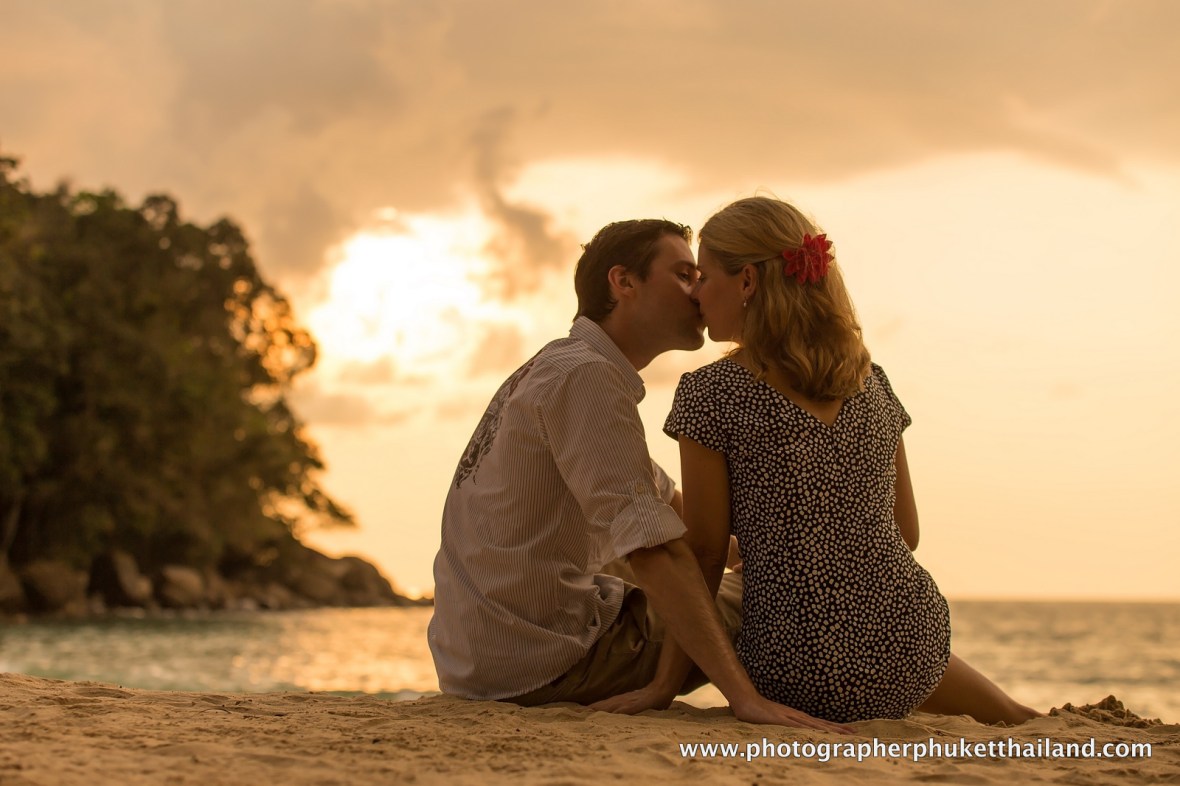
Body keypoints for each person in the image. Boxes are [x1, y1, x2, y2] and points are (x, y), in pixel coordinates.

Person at [596, 197, 1039, 725]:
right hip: (914, 646)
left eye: (705, 276)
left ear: (747, 282)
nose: (695, 293)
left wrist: (664, 686)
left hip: (800, 669)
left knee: (820, 636)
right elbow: (906, 533)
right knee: (976, 694)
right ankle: (1026, 719)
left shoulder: (712, 392)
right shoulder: (872, 380)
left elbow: (706, 556)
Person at [428, 218, 850, 732]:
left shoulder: (560, 366)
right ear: (623, 282)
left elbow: (671, 513)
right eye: (683, 275)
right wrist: (744, 699)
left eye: (700, 277)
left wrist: (756, 552)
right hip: (544, 660)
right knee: (781, 593)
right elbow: (655, 549)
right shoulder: (587, 378)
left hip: (483, 657)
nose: (697, 291)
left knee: (713, 568)